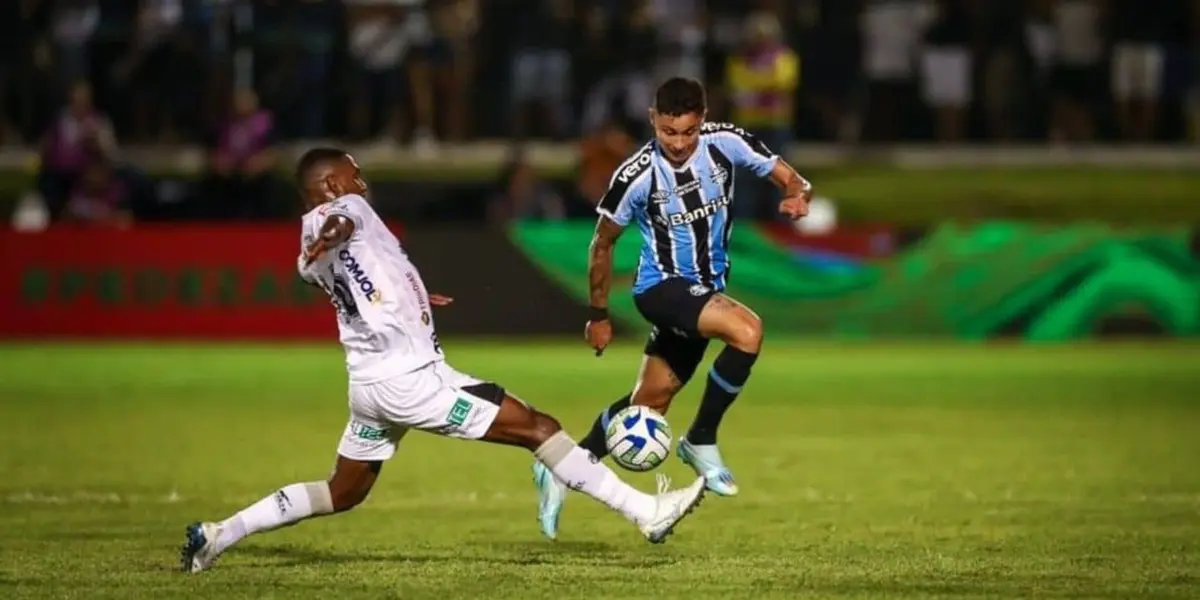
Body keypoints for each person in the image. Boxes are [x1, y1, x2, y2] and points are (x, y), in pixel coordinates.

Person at [179, 148, 707, 573]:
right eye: (353, 174)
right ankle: (646, 512)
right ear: (332, 186)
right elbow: (341, 224)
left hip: (368, 385)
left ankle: (220, 534)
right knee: (538, 427)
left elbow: (357, 279)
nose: (362, 181)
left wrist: (411, 296)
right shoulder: (345, 212)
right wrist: (332, 232)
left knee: (342, 492)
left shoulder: (304, 254)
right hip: (412, 381)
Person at [531, 77, 810, 539]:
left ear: (702, 120)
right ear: (652, 122)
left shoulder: (727, 144)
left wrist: (797, 194)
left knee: (650, 402)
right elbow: (601, 245)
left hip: (704, 289)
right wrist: (598, 315)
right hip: (661, 289)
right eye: (667, 132)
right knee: (747, 330)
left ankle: (563, 467)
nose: (678, 144)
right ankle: (701, 438)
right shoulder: (636, 175)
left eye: (687, 132)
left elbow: (790, 176)